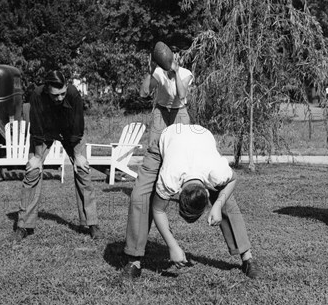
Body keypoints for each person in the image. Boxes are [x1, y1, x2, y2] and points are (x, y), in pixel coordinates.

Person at [127, 123, 260, 279]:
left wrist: (217, 206)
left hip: (199, 139)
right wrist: (173, 246)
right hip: (164, 141)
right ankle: (133, 261)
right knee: (140, 197)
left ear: (207, 190)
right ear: (178, 190)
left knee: (226, 200)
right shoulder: (171, 176)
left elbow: (233, 179)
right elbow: (158, 209)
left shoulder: (216, 172)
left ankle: (247, 258)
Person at [121, 47, 193, 274]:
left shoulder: (187, 73)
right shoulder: (158, 72)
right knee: (140, 193)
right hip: (160, 116)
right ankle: (134, 258)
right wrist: (153, 71)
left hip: (180, 116)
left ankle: (244, 254)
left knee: (186, 180)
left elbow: (181, 96)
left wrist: (177, 71)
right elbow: (143, 93)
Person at [14, 71, 103, 242]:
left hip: (70, 134)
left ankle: (92, 224)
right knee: (32, 171)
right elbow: (37, 128)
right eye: (56, 95)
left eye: (63, 93)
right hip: (45, 133)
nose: (60, 98)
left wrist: (78, 156)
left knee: (83, 170)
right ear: (47, 89)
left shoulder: (73, 94)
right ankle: (23, 226)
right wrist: (37, 159)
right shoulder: (37, 95)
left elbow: (78, 125)